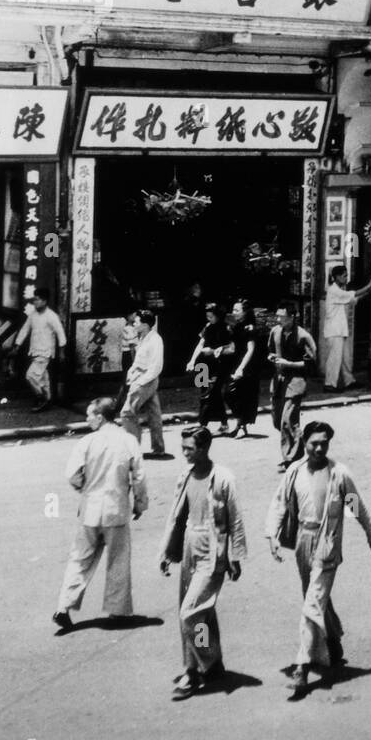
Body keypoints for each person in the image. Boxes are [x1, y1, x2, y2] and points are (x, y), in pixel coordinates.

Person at [265, 422, 371, 697]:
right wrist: (272, 535)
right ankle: (333, 638)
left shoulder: (339, 474)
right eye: (313, 443)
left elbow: (356, 505)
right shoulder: (294, 471)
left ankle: (303, 666)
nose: (319, 448)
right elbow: (279, 503)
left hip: (328, 544)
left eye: (324, 443)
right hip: (303, 542)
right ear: (303, 442)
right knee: (314, 596)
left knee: (311, 604)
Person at [160, 425, 247, 699]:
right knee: (201, 612)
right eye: (183, 447)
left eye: (190, 448)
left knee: (191, 613)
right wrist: (166, 551)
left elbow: (235, 518)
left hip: (213, 550)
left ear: (204, 448)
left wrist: (235, 555)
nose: (184, 453)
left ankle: (197, 668)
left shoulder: (223, 478)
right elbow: (176, 515)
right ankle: (211, 664)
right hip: (189, 545)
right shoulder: (184, 475)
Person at [53, 398, 148, 631]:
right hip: (116, 510)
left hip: (90, 510)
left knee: (80, 558)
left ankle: (64, 606)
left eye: (89, 415)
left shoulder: (86, 442)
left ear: (100, 416)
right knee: (118, 560)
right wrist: (140, 503)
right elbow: (139, 477)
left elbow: (72, 474)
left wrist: (84, 488)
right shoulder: (128, 440)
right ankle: (117, 610)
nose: (87, 419)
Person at [269, 306, 318, 471]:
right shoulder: (275, 332)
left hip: (295, 382)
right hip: (278, 382)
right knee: (277, 420)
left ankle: (292, 459)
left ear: (292, 317)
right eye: (277, 316)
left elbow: (311, 364)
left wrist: (289, 364)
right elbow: (269, 351)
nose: (278, 320)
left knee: (288, 420)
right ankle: (299, 441)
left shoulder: (303, 336)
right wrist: (272, 357)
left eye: (282, 317)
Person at [322, 266, 371, 392]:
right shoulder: (333, 291)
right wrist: (369, 285)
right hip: (334, 330)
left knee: (345, 358)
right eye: (344, 276)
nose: (346, 278)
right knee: (334, 358)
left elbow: (354, 299)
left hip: (341, 329)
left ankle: (349, 381)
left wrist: (369, 291)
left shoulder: (340, 291)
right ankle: (329, 384)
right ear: (336, 277)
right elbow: (353, 294)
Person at [120, 309, 167, 457]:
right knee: (154, 413)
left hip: (147, 378)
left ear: (145, 324)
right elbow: (138, 360)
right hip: (140, 376)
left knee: (127, 412)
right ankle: (158, 448)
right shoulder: (143, 337)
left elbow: (156, 366)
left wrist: (141, 381)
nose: (134, 323)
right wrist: (131, 372)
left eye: (137, 321)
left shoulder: (155, 340)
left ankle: (133, 448)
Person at [12, 287, 67, 412]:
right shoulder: (33, 315)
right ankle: (47, 399)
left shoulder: (52, 316)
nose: (35, 302)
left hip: (45, 352)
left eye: (37, 300)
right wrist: (17, 346)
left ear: (44, 301)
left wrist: (62, 352)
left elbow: (60, 333)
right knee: (42, 377)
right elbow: (25, 330)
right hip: (34, 350)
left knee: (30, 376)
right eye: (34, 300)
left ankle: (41, 397)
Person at [187, 303, 235, 436]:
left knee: (210, 392)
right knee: (205, 391)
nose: (209, 319)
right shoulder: (207, 327)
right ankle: (224, 424)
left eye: (211, 316)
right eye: (207, 316)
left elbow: (231, 349)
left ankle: (202, 424)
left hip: (220, 365)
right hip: (204, 364)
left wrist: (213, 351)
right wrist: (192, 361)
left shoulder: (226, 328)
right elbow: (200, 343)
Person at [228, 299, 264, 438]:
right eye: (233, 310)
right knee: (232, 394)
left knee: (241, 395)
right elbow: (233, 346)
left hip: (248, 366)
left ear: (245, 312)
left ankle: (242, 425)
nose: (234, 313)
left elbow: (250, 350)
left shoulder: (250, 328)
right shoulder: (235, 326)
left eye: (237, 310)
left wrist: (241, 368)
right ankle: (239, 424)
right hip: (236, 363)